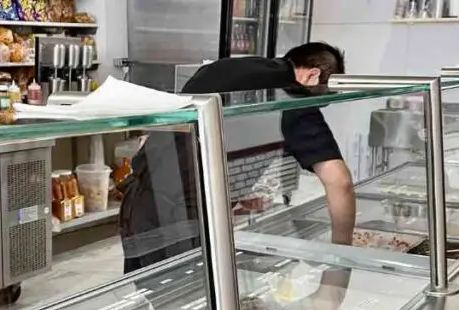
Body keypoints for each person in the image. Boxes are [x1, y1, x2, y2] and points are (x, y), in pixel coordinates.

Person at [119, 42, 354, 273]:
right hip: (184, 222)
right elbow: (339, 182)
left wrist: (236, 194)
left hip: (137, 208)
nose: (317, 106)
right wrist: (342, 258)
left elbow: (199, 144)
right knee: (189, 300)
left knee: (156, 296)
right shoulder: (290, 97)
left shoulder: (223, 68)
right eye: (323, 99)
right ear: (313, 75)